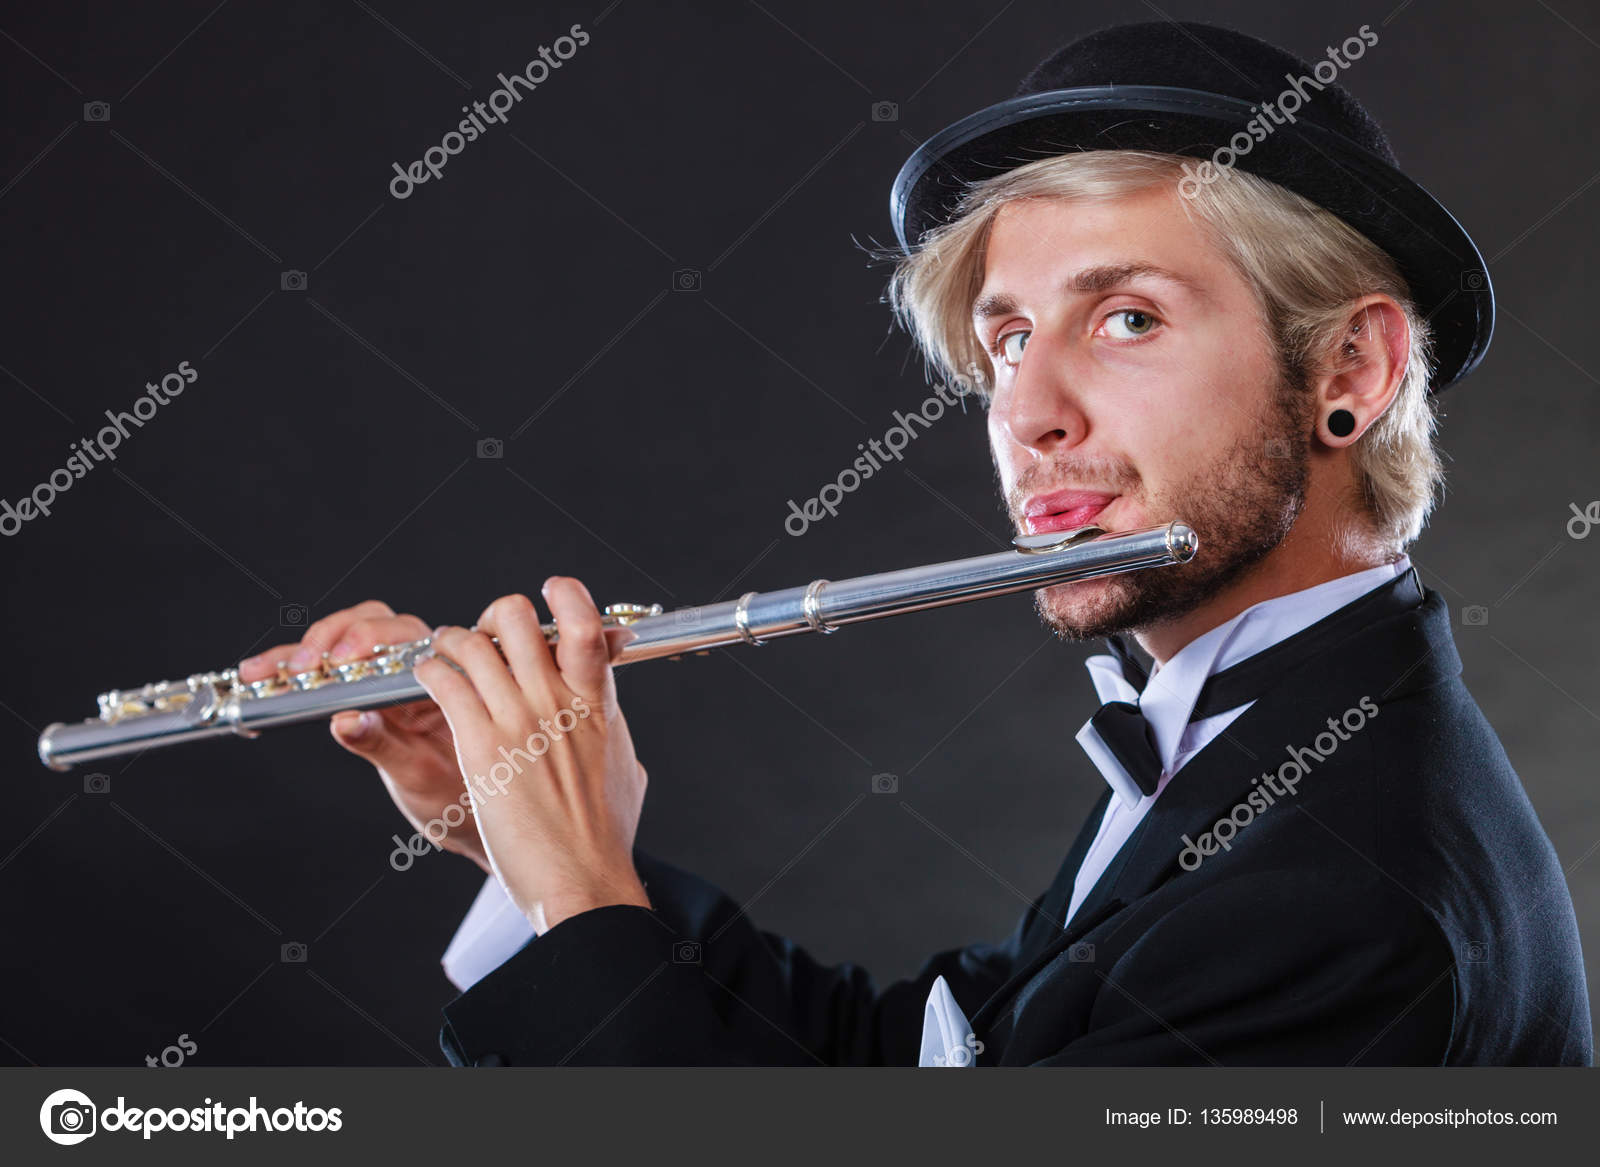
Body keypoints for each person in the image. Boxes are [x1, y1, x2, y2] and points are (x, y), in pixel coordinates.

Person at [238, 21, 1592, 1065]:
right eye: (1008, 337)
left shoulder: (1348, 890)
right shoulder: (1250, 732)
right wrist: (533, 851)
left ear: (1350, 366)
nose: (1031, 414)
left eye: (1125, 318)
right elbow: (920, 1066)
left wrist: (584, 890)